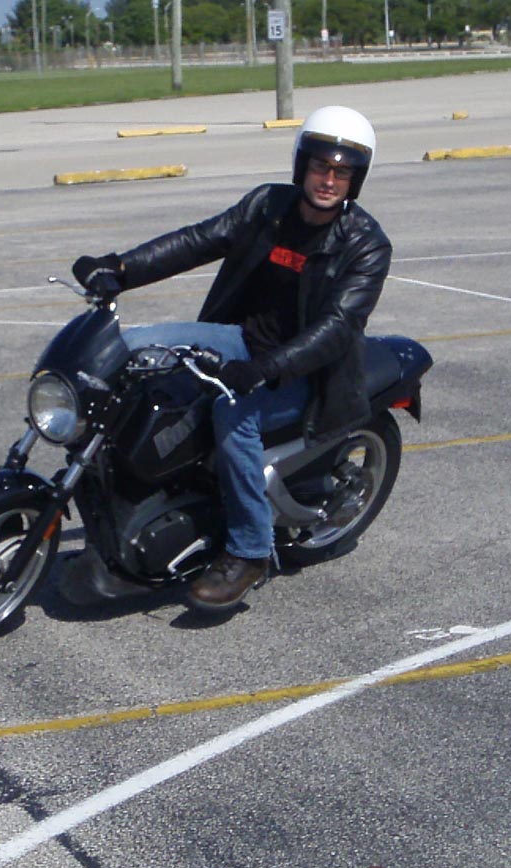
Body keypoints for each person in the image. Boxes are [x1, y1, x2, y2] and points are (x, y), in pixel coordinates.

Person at [71, 106, 392, 612]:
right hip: (239, 342)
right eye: (320, 166)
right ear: (302, 165)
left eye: (343, 172)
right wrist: (120, 268)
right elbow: (199, 240)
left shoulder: (366, 245)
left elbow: (336, 328)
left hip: (308, 373)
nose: (329, 180)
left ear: (357, 179)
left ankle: (249, 550)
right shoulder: (268, 206)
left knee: (232, 415)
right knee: (133, 349)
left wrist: (264, 370)